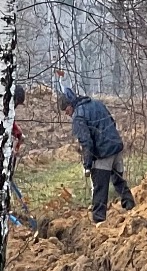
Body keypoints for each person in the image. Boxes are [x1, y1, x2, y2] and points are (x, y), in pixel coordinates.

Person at [57, 84, 135, 221]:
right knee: (119, 180)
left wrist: (87, 165)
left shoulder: (78, 117)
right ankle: (131, 206)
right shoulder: (97, 104)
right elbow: (112, 122)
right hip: (116, 147)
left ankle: (99, 221)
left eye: (65, 109)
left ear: (71, 104)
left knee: (100, 188)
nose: (66, 113)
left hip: (103, 154)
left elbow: (86, 143)